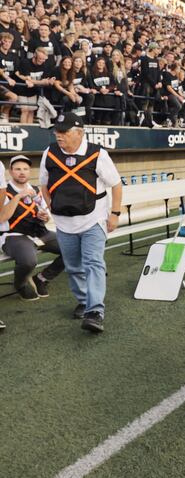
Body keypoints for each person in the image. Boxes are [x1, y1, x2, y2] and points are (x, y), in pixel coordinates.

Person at [39, 112, 122, 333]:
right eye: (57, 131)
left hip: (94, 219)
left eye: (64, 132)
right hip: (64, 223)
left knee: (93, 263)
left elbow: (116, 184)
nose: (59, 135)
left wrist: (115, 213)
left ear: (79, 133)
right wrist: (51, 206)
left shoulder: (98, 154)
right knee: (73, 266)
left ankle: (95, 311)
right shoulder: (49, 152)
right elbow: (43, 185)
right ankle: (84, 301)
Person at [0, 154, 64, 300]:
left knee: (72, 249)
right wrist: (18, 196)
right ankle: (20, 285)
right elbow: (2, 218)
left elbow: (44, 212)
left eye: (25, 169)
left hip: (39, 232)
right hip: (14, 235)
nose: (22, 172)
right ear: (10, 171)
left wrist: (45, 217)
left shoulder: (35, 189)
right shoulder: (4, 191)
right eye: (17, 169)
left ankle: (41, 278)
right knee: (29, 261)